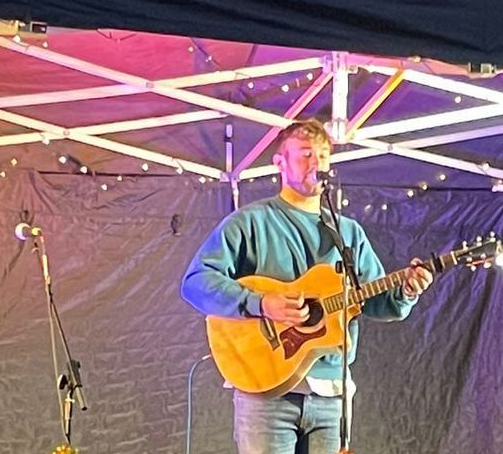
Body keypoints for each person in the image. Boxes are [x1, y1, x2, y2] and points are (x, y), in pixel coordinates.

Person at [181, 119, 434, 454]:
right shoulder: (250, 222)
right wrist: (260, 303)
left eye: (324, 155)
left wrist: (407, 291)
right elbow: (196, 283)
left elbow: (375, 300)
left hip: (332, 394)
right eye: (305, 155)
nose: (317, 163)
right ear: (280, 163)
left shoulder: (348, 233)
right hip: (266, 391)